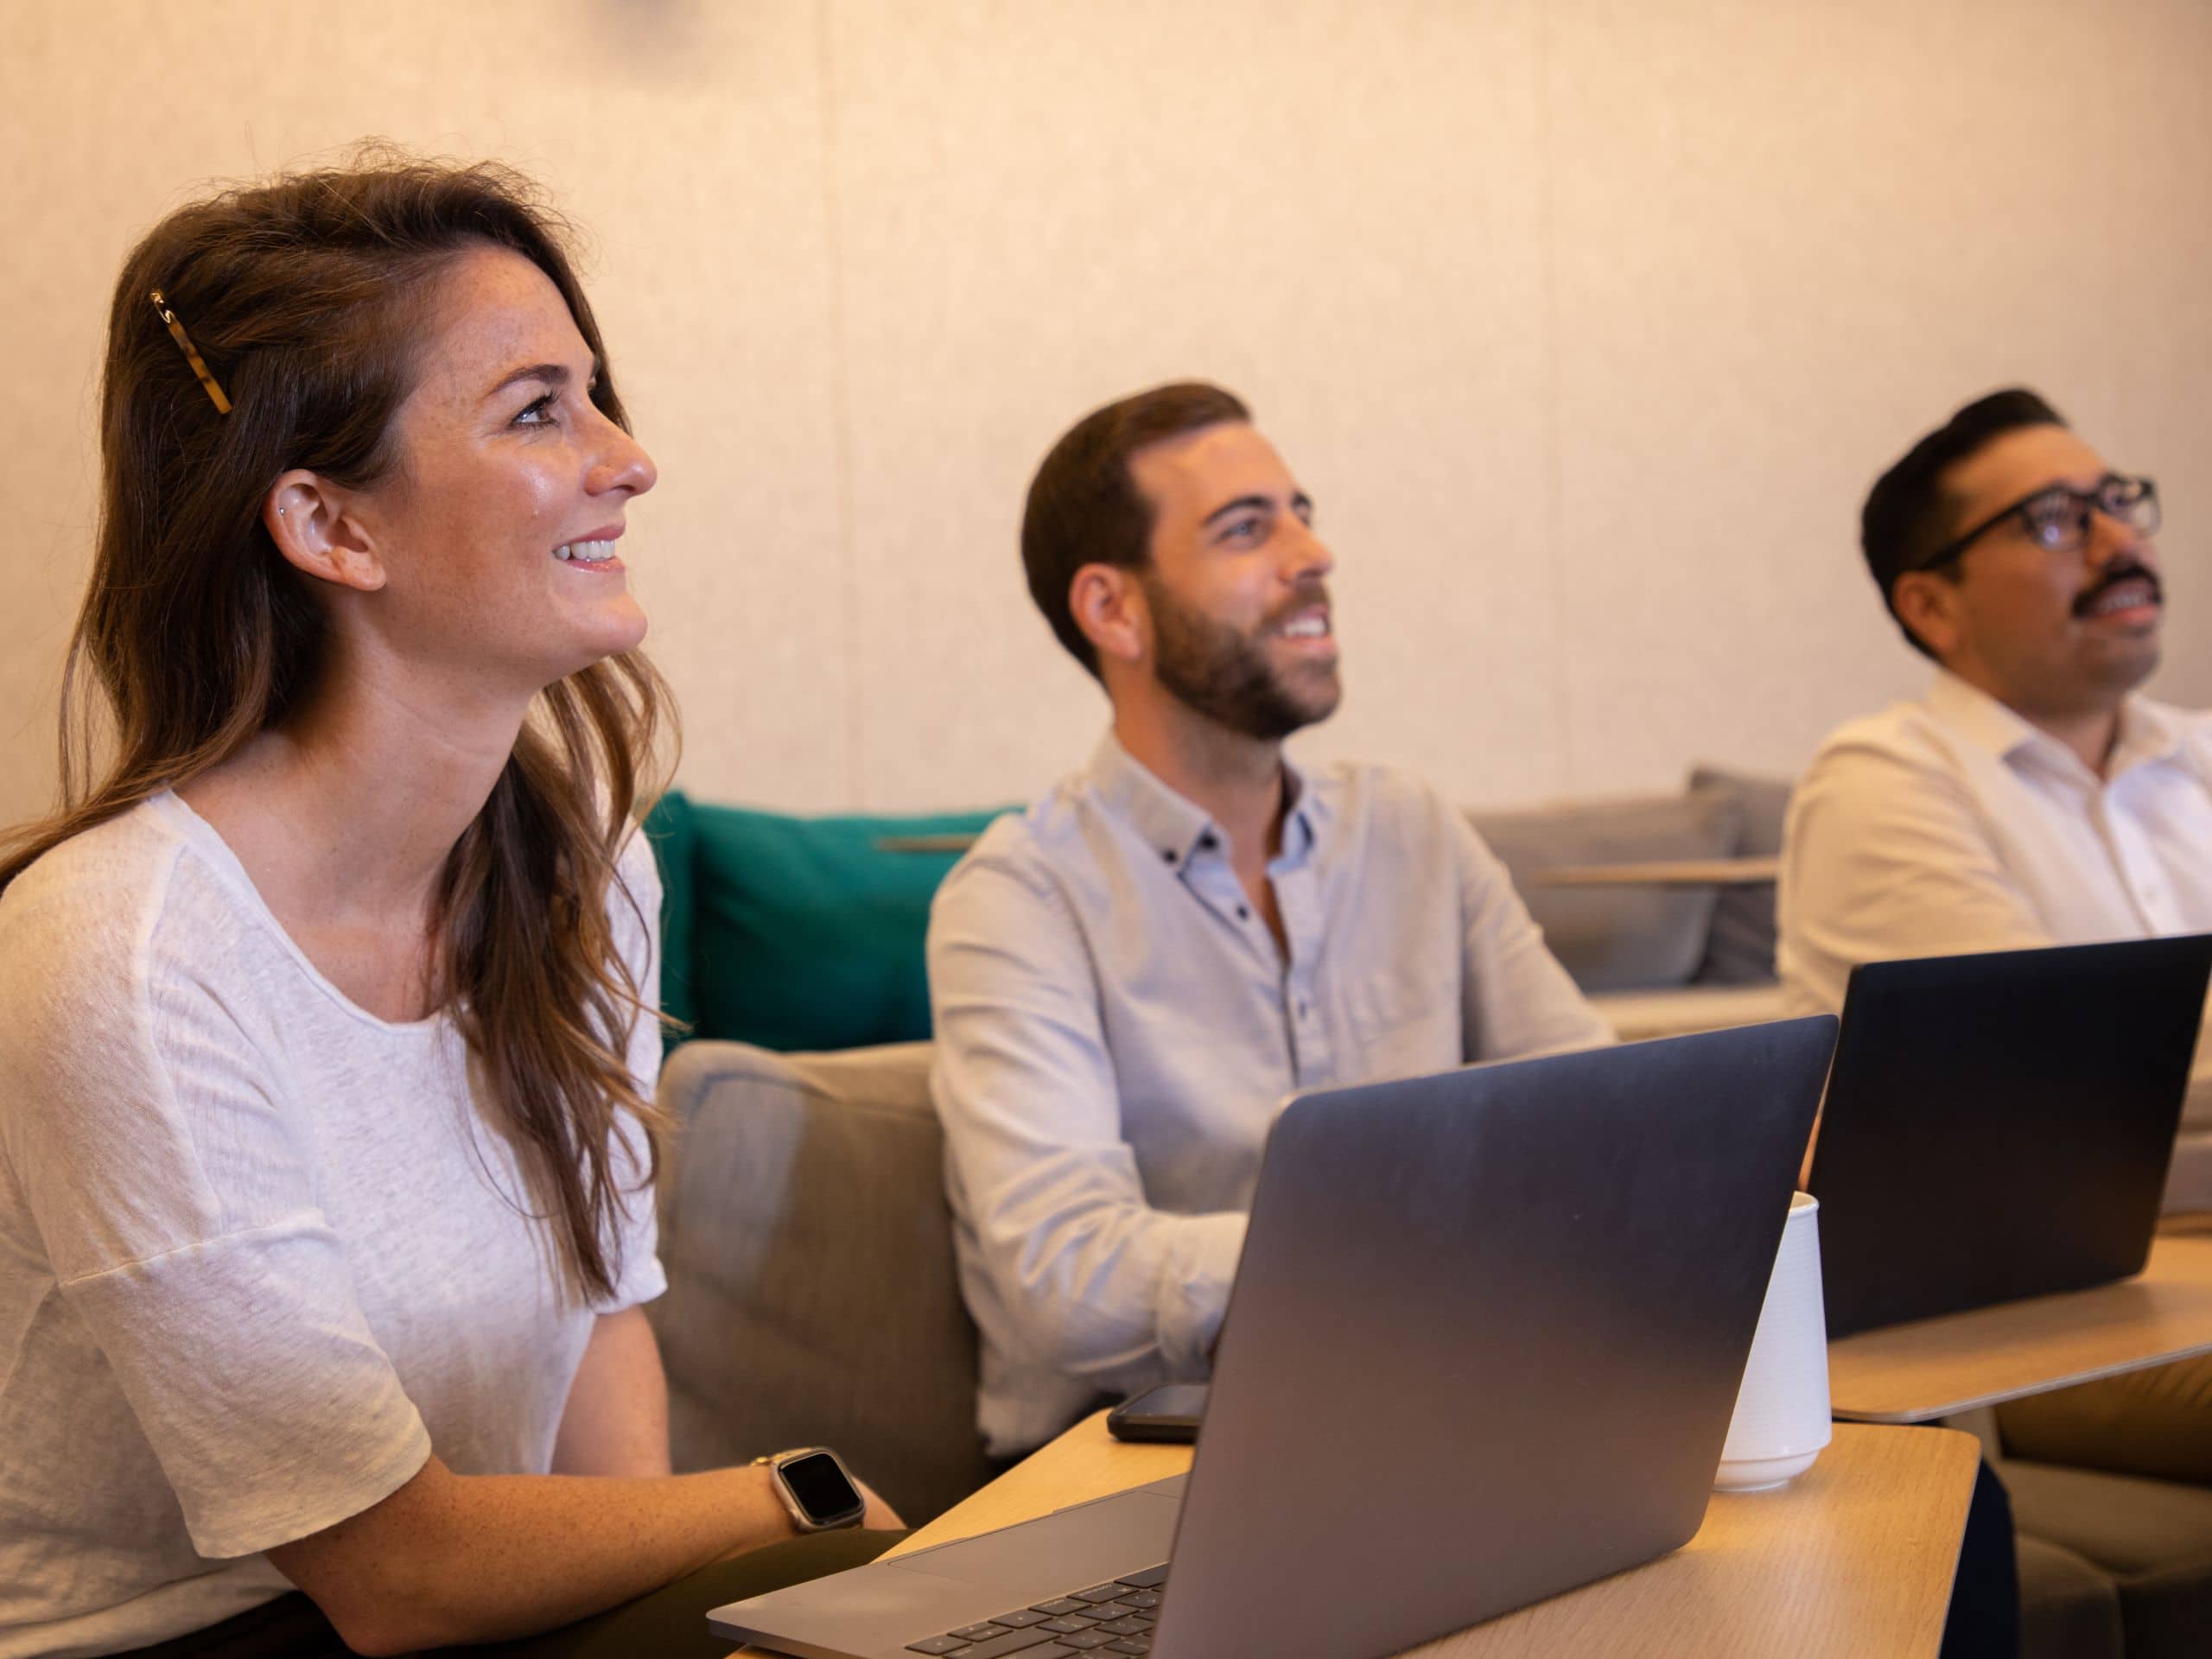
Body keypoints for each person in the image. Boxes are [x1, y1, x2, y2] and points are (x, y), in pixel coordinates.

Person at [0, 156, 898, 1659]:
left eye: (596, 395)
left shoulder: (585, 861)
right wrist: (780, 1509)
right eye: (540, 408)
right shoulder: (122, 957)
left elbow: (605, 1317)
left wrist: (699, 1620)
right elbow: (395, 1572)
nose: (629, 459)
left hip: (488, 1617)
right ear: (331, 527)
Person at [926, 381, 1613, 1459]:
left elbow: (1599, 1116)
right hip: (1148, 1466)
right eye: (1248, 530)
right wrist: (1410, 1245)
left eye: (1303, 512)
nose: (1312, 554)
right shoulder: (1020, 895)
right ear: (1114, 610)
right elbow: (1065, 1282)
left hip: (1441, 1412)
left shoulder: (1410, 830)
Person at [1779, 386, 2212, 1491]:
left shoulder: (2200, 757)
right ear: (1931, 605)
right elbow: (2084, 1102)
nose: (2121, 541)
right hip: (2060, 1317)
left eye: (2120, 501)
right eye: (2059, 521)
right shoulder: (1886, 782)